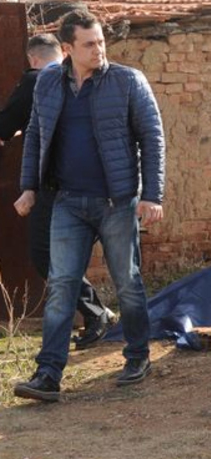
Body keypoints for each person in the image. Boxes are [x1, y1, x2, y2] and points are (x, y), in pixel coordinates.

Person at [12, 9, 165, 402]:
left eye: (100, 41)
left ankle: (136, 356)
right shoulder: (48, 84)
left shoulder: (127, 81)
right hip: (66, 202)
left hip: (116, 202)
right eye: (89, 44)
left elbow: (152, 138)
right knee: (62, 286)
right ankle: (48, 375)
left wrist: (152, 195)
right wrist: (29, 187)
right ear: (67, 49)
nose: (99, 49)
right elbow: (34, 135)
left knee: (127, 283)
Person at [0, 34, 115, 349]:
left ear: (32, 59)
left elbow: (3, 128)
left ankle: (95, 314)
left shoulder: (37, 81)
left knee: (44, 254)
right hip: (98, 187)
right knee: (71, 256)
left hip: (56, 189)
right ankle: (99, 314)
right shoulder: (84, 81)